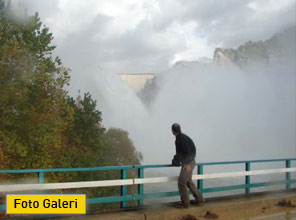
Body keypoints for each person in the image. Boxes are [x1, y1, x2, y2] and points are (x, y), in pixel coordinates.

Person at [171, 123, 204, 208]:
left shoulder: (180, 139)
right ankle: (199, 199)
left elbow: (188, 152)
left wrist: (187, 164)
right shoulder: (181, 138)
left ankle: (185, 204)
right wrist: (176, 160)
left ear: (172, 131)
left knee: (181, 182)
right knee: (188, 181)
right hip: (189, 161)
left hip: (188, 163)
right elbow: (181, 153)